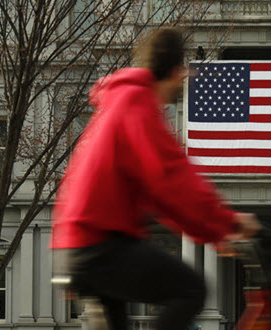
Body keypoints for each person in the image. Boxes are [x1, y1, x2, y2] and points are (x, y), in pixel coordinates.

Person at [51, 27, 259, 330]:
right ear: (175, 71)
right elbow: (172, 180)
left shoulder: (120, 101)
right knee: (190, 290)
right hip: (100, 244)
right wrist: (227, 223)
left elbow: (160, 195)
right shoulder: (138, 106)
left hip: (78, 243)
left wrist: (213, 230)